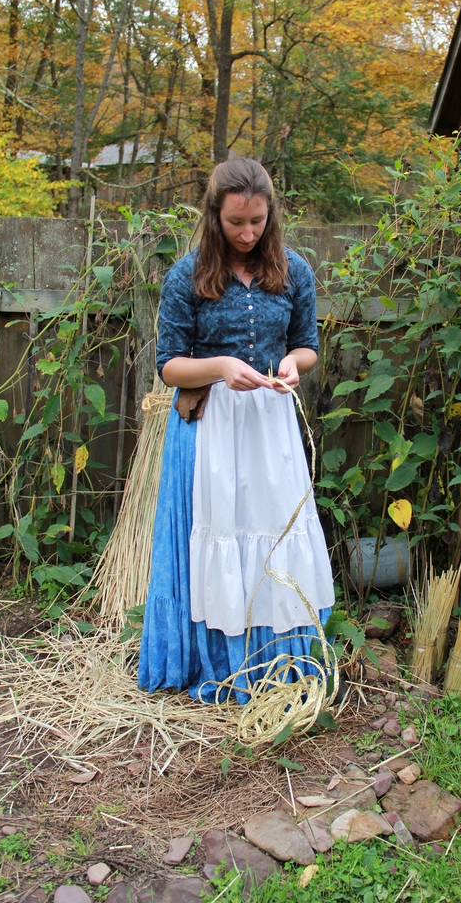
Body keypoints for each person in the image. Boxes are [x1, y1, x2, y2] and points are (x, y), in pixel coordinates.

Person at [138, 158, 335, 704]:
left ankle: (277, 667)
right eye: (236, 223)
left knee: (273, 539)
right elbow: (169, 366)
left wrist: (296, 363)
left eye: (258, 221)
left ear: (271, 214)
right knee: (219, 538)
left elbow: (307, 344)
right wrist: (222, 366)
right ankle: (216, 665)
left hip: (271, 429)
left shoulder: (293, 269)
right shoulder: (187, 275)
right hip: (209, 433)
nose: (248, 233)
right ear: (214, 216)